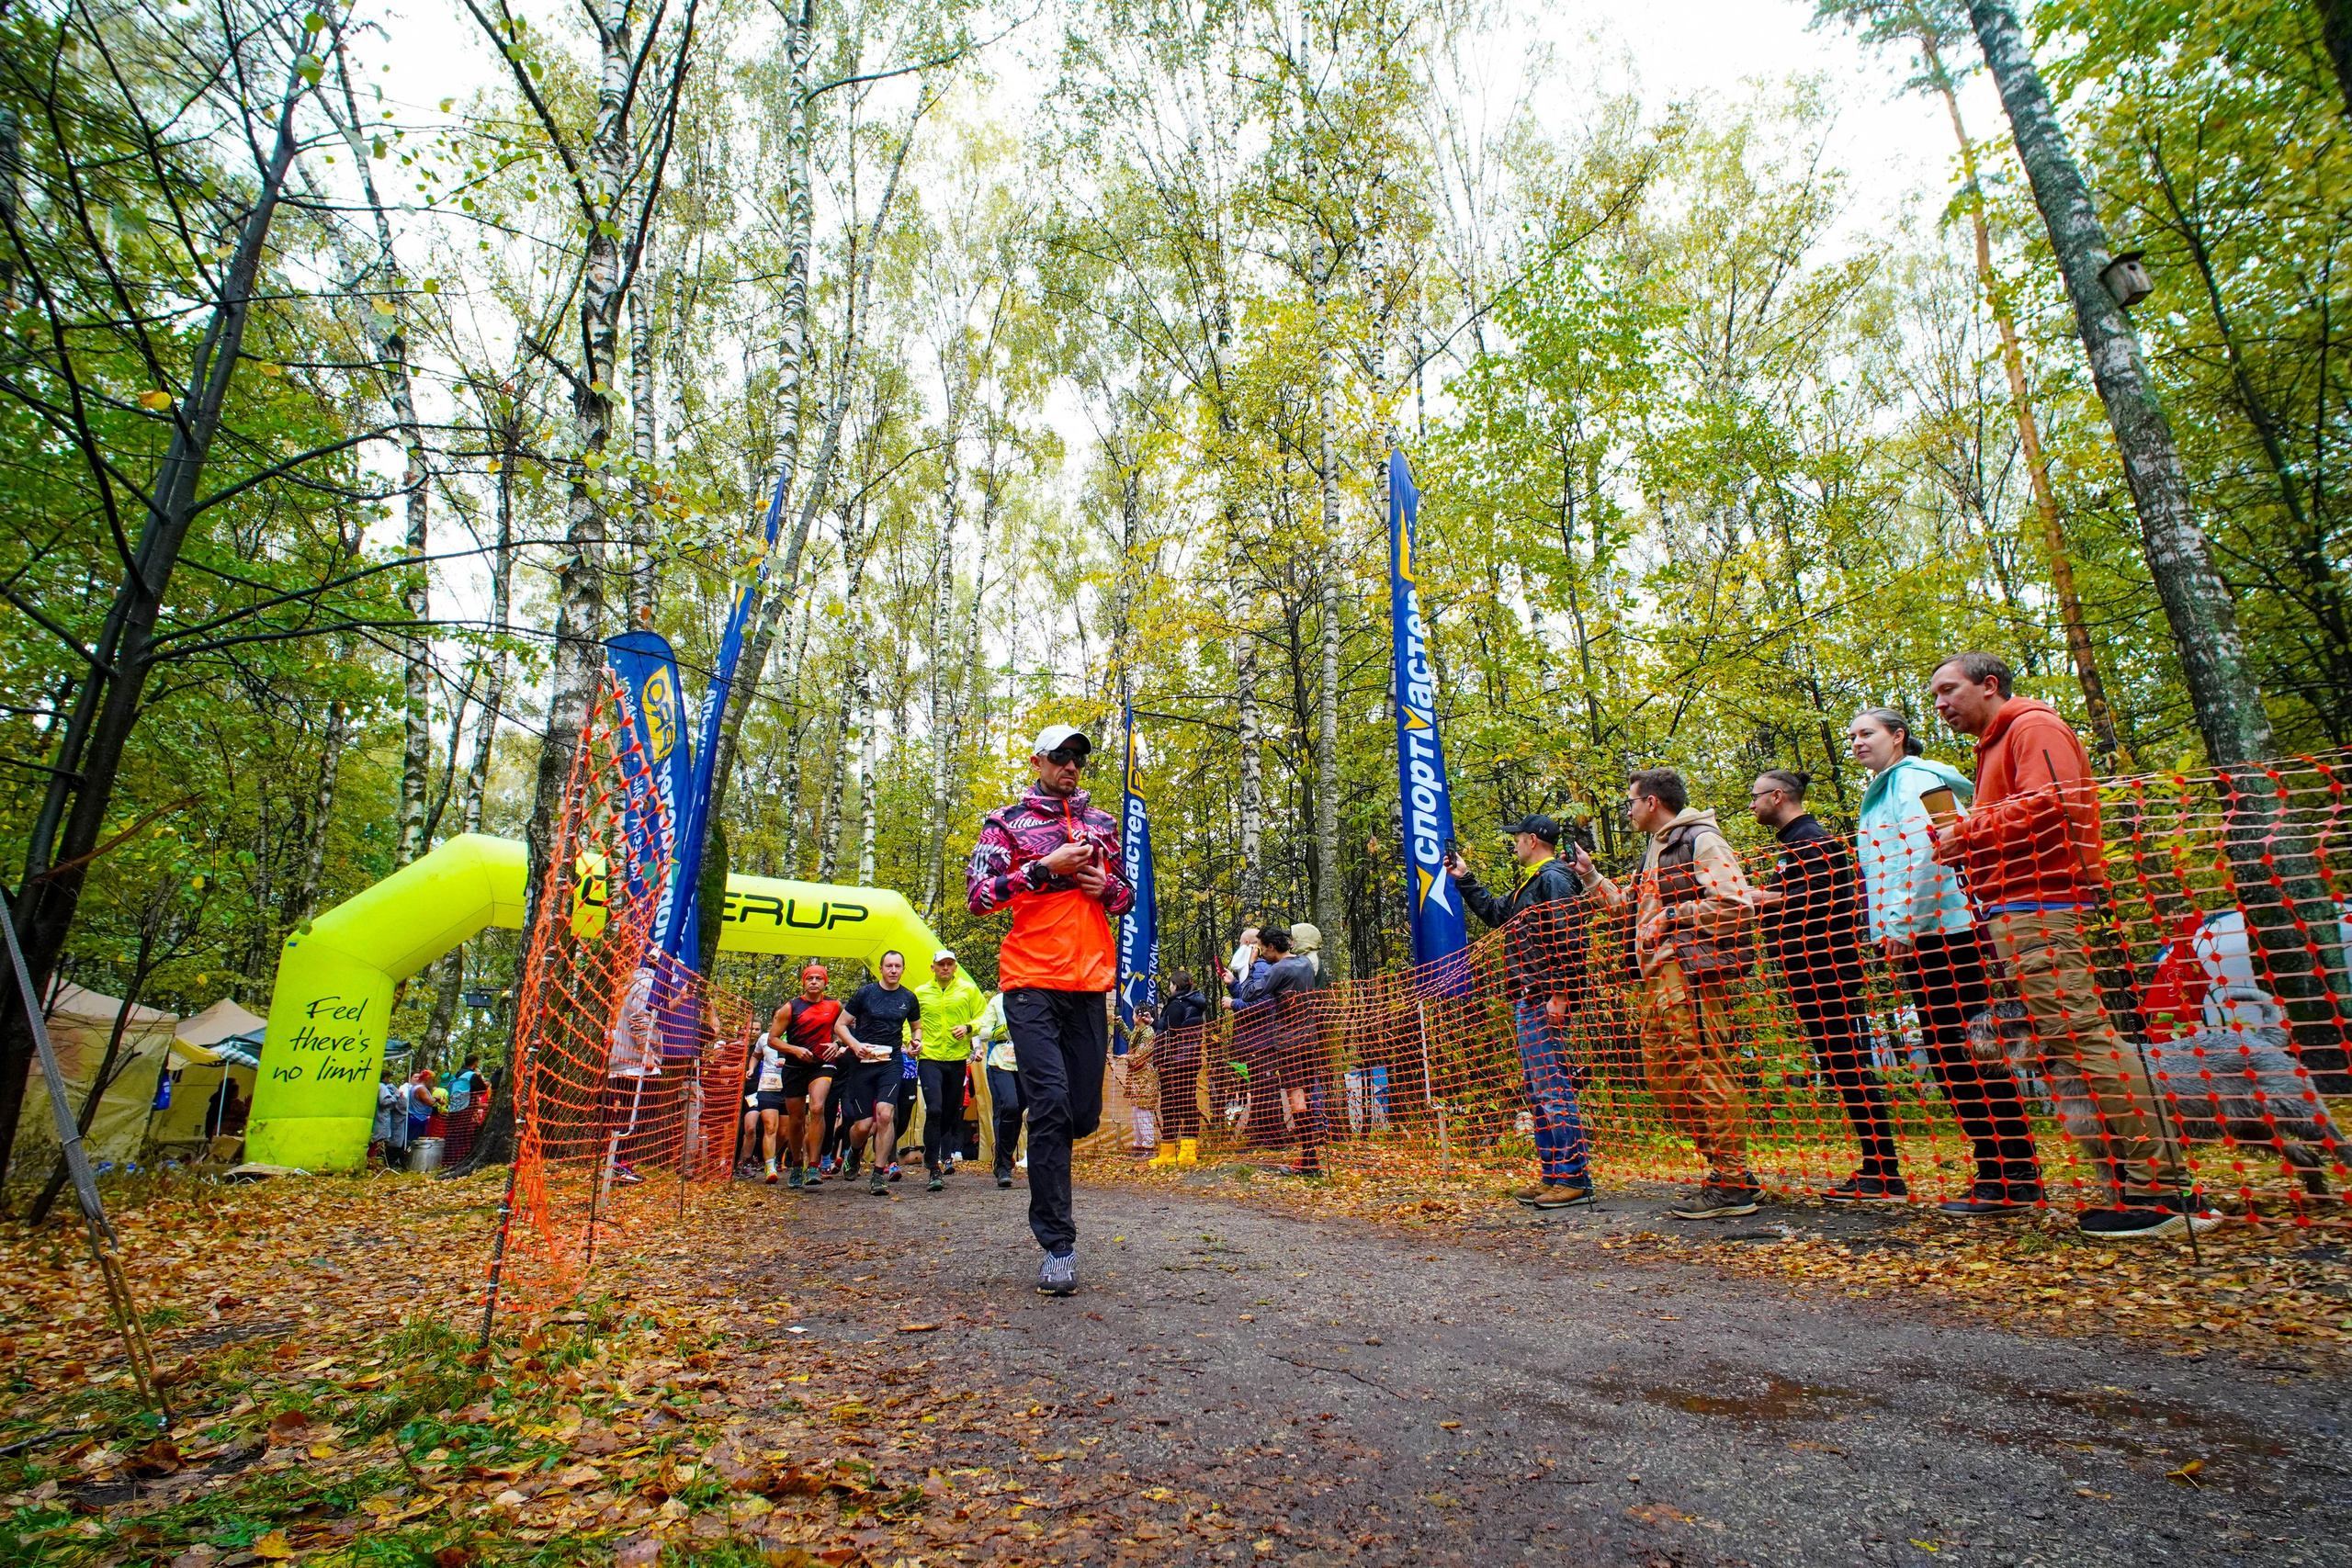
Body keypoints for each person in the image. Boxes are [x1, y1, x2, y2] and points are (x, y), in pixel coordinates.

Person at [1926, 651, 2217, 1238]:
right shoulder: (1996, 744)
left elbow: (2052, 802)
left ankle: (2162, 1193)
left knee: (2085, 1035)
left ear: (1989, 686)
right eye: (1935, 695)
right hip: (2019, 906)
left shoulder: (2033, 726)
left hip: (2042, 904)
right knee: (2071, 1037)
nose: (1940, 705)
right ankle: (2141, 1184)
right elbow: (2023, 815)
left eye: (1949, 690)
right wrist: (1969, 847)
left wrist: (1970, 831)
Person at [1850, 706, 2043, 1216]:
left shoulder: (1911, 781)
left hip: (1942, 931)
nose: (1857, 742)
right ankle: (1999, 1170)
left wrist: (1897, 925)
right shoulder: (1887, 787)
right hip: (1928, 930)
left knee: (1962, 1049)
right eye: (1852, 736)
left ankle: (2013, 1174)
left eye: (1867, 733)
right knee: (1951, 1049)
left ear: (1898, 736)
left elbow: (1925, 855)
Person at [966, 722, 1135, 1296]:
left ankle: (1048, 1138)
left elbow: (1125, 895)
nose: (1071, 766)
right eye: (1061, 757)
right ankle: (1057, 1246)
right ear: (1038, 760)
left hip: (1089, 982)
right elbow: (977, 897)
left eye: (1079, 759)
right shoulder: (1006, 822)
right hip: (1029, 979)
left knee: (1079, 1115)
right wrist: (1044, 868)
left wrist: (1099, 886)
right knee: (1052, 1103)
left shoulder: (1102, 824)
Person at [1578, 769, 1761, 1220]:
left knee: (1706, 1073)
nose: (1627, 811)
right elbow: (1630, 910)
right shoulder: (1657, 849)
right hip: (1657, 981)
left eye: (1631, 802)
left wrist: (1674, 916)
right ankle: (1726, 1170)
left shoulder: (1700, 840)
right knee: (1667, 1080)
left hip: (1690, 976)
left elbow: (1737, 905)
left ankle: (1734, 1185)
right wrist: (1591, 877)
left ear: (1653, 802)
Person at [1748, 770, 1905, 1202]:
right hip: (1809, 970)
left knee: (1848, 1063)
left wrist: (1763, 899)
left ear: (1778, 797)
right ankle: (1877, 1167)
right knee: (1840, 1065)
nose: (1752, 805)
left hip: (1827, 969)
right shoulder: (1794, 844)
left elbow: (1822, 899)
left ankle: (1883, 1170)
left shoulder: (1811, 840)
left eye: (1757, 797)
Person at [1447, 813, 1598, 1209]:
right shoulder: (1531, 882)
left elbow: (1570, 939)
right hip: (1526, 996)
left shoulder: (1555, 879)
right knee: (1537, 1090)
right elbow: (1498, 915)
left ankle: (1574, 1177)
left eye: (1517, 838)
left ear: (1533, 840)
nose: (1513, 843)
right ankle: (1552, 1175)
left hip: (1544, 996)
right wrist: (1465, 878)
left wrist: (1561, 994)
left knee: (1553, 1088)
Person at [1237, 925, 1325, 1176]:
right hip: (1309, 1040)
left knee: (1297, 1102)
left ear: (1273, 948)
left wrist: (1251, 966)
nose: (1262, 953)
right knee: (1306, 1097)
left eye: (1263, 949)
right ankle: (1310, 1157)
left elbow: (1248, 993)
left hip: (1289, 1044)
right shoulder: (1305, 964)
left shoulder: (1279, 968)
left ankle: (1309, 1160)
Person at [834, 951, 922, 1197]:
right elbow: (840, 1025)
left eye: (898, 966)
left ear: (903, 969)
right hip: (862, 1062)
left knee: (885, 1115)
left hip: (891, 1062)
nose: (893, 970)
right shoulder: (866, 993)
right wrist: (854, 1045)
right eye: (889, 966)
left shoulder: (908, 997)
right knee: (862, 1126)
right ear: (881, 969)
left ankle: (878, 1174)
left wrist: (916, 1043)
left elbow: (917, 1028)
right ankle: (854, 1150)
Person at [911, 949, 989, 1192]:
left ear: (955, 967)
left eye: (949, 964)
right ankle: (934, 1166)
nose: (945, 968)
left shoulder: (968, 990)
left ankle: (933, 1151)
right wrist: (911, 1042)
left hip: (957, 1059)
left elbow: (983, 1018)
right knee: (934, 1109)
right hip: (929, 1057)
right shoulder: (921, 992)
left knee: (950, 1112)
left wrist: (968, 1028)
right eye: (940, 964)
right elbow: (909, 1021)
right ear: (932, 967)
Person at [775, 964, 844, 1190]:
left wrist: (837, 1043)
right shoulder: (790, 1007)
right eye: (810, 978)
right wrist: (794, 1050)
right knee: (795, 1121)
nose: (814, 982)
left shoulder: (834, 1005)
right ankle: (796, 1164)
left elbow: (842, 1030)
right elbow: (773, 1039)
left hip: (822, 1064)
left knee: (817, 1108)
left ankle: (813, 1166)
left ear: (825, 983)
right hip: (795, 1067)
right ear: (803, 982)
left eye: (819, 978)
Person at [604, 964, 660, 1187]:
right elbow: (639, 1017)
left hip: (624, 1060)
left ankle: (618, 1163)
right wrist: (645, 1052)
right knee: (639, 1114)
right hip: (635, 1063)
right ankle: (619, 1164)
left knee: (628, 1113)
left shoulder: (630, 981)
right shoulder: (646, 980)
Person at [1148, 971, 1210, 1168]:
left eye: (1170, 984)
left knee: (1170, 1105)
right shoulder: (1193, 1005)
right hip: (1190, 1060)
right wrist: (1154, 1023)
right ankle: (1185, 1150)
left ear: (1175, 986)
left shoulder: (1176, 1005)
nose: (1169, 988)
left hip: (1173, 1062)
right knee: (1187, 1102)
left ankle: (1172, 1152)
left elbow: (1170, 1034)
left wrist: (1162, 1059)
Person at [978, 989, 1024, 1188]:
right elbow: (982, 1032)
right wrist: (1003, 1029)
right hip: (1000, 1062)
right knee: (1010, 1106)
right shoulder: (997, 1001)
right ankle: (1004, 1164)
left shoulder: (1034, 1000)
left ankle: (1004, 1160)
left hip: (1026, 1062)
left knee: (1019, 1111)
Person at [742, 1028, 790, 1184]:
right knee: (770, 1126)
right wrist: (751, 1068)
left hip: (789, 1086)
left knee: (784, 1132)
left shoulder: (796, 1036)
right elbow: (756, 1055)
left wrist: (788, 1061)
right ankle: (770, 1166)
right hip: (768, 1087)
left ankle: (772, 1155)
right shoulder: (764, 1038)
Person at [445, 1055, 488, 1167]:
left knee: (451, 1133)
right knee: (463, 1133)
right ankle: (459, 1158)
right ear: (475, 1063)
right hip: (466, 1107)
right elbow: (482, 1089)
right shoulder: (472, 1075)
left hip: (453, 1107)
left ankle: (448, 1159)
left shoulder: (455, 1076)